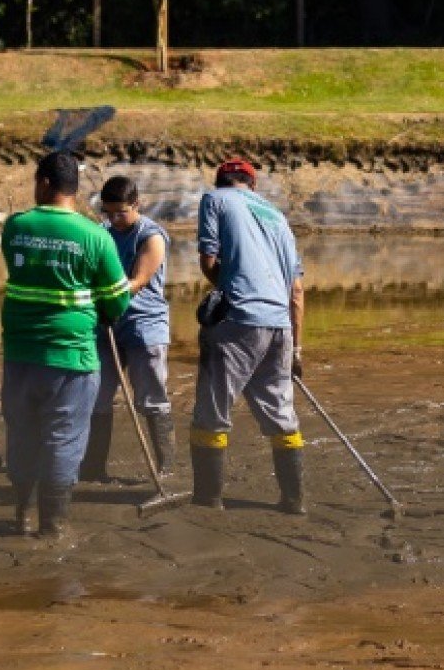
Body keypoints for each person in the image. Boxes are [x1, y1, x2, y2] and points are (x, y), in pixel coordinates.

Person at [0, 151, 132, 537]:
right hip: (71, 356)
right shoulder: (96, 236)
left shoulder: (16, 226)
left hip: (20, 352)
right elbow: (118, 299)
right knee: (63, 438)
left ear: (43, 182)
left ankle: (21, 514)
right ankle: (53, 526)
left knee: (22, 432)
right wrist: (101, 307)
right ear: (74, 189)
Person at [188, 156, 308, 514]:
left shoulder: (215, 200)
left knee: (212, 410)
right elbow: (297, 291)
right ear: (252, 185)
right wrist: (297, 350)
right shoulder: (279, 217)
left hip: (240, 319)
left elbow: (209, 261)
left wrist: (225, 289)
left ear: (221, 180)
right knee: (281, 414)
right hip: (281, 327)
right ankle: (293, 500)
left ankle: (208, 500)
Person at [81, 175, 175, 483]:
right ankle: (93, 469)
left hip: (144, 325)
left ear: (137, 204)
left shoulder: (151, 236)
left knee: (151, 398)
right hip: (107, 325)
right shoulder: (102, 232)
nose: (115, 219)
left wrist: (107, 298)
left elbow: (137, 282)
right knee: (97, 396)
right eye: (109, 212)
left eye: (121, 212)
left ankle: (165, 470)